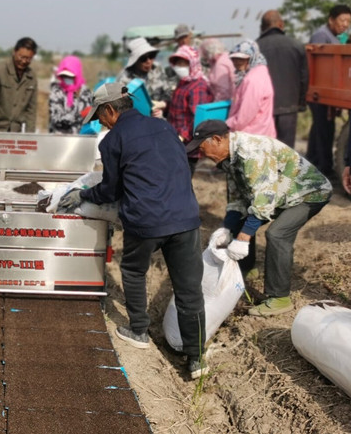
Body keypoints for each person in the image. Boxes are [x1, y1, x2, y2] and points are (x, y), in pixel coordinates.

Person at [60, 83, 207, 379]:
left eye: (100, 117)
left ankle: (139, 330)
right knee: (189, 289)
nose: (101, 123)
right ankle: (196, 358)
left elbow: (110, 190)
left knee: (133, 270)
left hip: (146, 219)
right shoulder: (164, 127)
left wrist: (83, 194)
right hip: (185, 217)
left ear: (110, 109)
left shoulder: (113, 140)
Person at [187, 120, 332, 316]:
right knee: (242, 220)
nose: (203, 155)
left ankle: (279, 298)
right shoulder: (229, 158)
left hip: (308, 193)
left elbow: (264, 200)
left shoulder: (252, 153)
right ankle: (247, 268)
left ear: (217, 139)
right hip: (281, 193)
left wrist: (243, 238)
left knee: (278, 234)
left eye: (203, 149)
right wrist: (226, 228)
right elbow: (237, 199)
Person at [307, 4, 351, 179]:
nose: (345, 24)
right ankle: (322, 168)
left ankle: (314, 164)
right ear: (331, 20)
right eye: (342, 20)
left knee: (320, 129)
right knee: (323, 129)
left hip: (328, 90)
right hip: (320, 91)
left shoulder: (335, 37)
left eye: (348, 21)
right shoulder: (321, 35)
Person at [256, 10, 308, 148]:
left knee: (266, 150)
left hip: (264, 109)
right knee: (286, 151)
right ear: (281, 24)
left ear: (262, 27)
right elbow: (304, 78)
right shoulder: (297, 45)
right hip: (289, 108)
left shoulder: (255, 48)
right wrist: (301, 103)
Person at [167, 45, 214, 174]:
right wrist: (164, 105)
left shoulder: (199, 86)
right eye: (178, 63)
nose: (179, 67)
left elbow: (198, 118)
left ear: (192, 64)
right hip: (176, 138)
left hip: (188, 144)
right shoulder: (184, 82)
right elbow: (179, 105)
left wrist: (182, 136)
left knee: (183, 177)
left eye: (183, 63)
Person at [0, 37, 38, 132]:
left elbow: (31, 110)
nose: (24, 61)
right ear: (14, 52)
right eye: (21, 57)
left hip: (15, 131)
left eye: (28, 59)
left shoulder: (31, 77)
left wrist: (30, 136)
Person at [225, 40, 276, 137]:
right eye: (234, 58)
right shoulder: (258, 72)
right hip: (260, 131)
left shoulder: (253, 79)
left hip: (252, 134)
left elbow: (245, 115)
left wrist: (227, 124)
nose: (237, 62)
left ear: (252, 58)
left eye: (242, 59)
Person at [118, 37, 177, 117]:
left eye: (151, 56)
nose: (148, 61)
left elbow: (168, 92)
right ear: (135, 60)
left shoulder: (158, 69)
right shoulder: (124, 78)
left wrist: (162, 105)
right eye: (143, 58)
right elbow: (121, 107)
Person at [48, 55, 93, 134]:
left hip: (81, 137)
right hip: (59, 136)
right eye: (64, 76)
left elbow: (89, 117)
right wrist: (80, 115)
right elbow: (57, 119)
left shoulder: (86, 92)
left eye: (70, 76)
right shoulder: (57, 92)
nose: (67, 79)